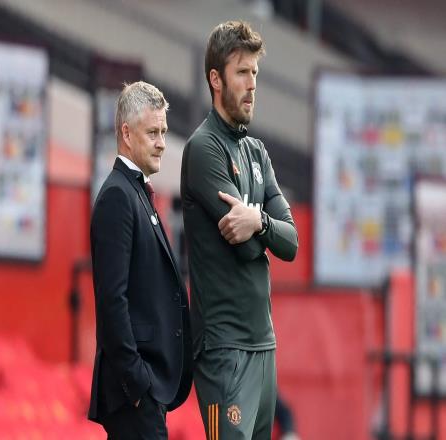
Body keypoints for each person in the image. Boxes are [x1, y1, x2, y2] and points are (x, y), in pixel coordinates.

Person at [180, 21, 298, 439]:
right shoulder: (203, 148)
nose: (252, 85)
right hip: (223, 352)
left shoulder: (256, 151)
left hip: (263, 345)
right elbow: (249, 250)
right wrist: (265, 230)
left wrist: (258, 221)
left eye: (255, 73)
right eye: (242, 72)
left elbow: (291, 242)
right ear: (216, 79)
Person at [88, 81, 192, 439]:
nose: (162, 142)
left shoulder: (135, 192)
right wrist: (136, 383)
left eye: (163, 132)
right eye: (153, 132)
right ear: (127, 134)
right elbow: (111, 300)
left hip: (145, 390)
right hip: (134, 393)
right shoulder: (118, 196)